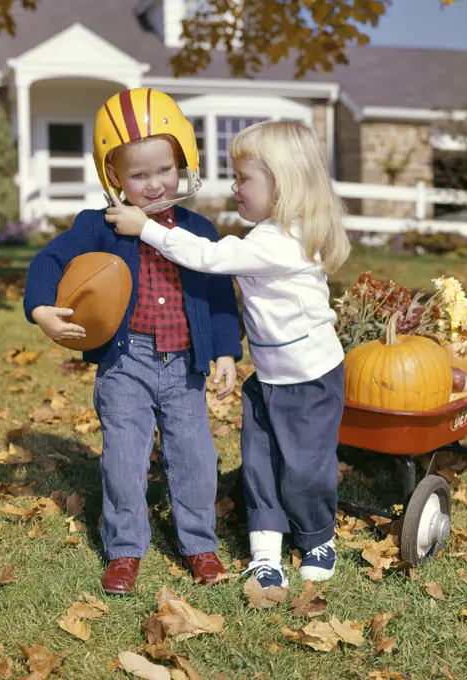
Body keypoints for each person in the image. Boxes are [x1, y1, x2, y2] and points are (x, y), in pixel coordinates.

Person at [105, 120, 351, 587]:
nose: (234, 187)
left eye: (244, 179)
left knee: (304, 467)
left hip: (309, 381)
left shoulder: (282, 242)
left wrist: (148, 230)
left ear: (284, 184)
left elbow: (212, 259)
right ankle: (265, 551)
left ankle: (316, 535)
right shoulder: (267, 234)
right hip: (268, 378)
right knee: (258, 463)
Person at [23, 88, 242, 595]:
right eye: (138, 175)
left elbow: (218, 293)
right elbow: (47, 262)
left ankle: (198, 542)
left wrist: (226, 349)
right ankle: (125, 548)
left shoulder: (198, 229)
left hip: (185, 365)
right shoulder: (99, 226)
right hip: (128, 361)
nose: (153, 183)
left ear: (182, 161)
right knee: (124, 457)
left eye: (164, 169)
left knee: (194, 456)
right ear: (114, 177)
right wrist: (41, 310)